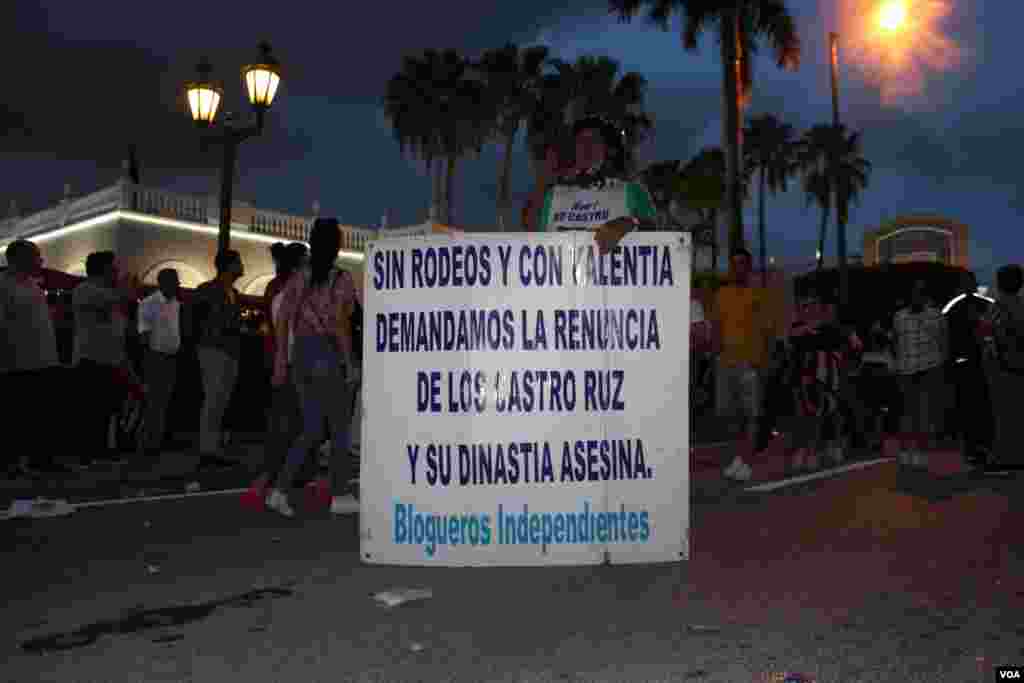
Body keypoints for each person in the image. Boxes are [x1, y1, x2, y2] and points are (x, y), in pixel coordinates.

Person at [266, 218, 360, 517]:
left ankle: (279, 490)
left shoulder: (299, 277)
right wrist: (350, 363)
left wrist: (282, 359)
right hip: (327, 354)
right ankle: (341, 494)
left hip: (302, 356)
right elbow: (340, 325)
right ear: (337, 244)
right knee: (340, 427)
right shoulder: (340, 279)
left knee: (310, 428)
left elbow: (282, 320)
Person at [243, 242, 309, 509]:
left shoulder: (279, 288)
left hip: (287, 363)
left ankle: (272, 481)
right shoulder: (289, 292)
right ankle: (270, 482)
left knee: (289, 424)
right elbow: (285, 332)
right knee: (290, 425)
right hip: (291, 364)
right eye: (307, 261)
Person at [709, 248, 783, 481]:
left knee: (752, 415)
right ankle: (738, 459)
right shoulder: (721, 294)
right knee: (730, 416)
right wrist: (715, 357)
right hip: (726, 363)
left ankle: (747, 463)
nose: (738, 268)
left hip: (751, 364)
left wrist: (766, 363)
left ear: (748, 267)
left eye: (742, 264)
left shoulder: (758, 295)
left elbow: (770, 332)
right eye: (734, 264)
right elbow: (716, 329)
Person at [0, 240, 73, 475]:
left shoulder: (33, 285)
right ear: (19, 259)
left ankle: (42, 459)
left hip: (44, 359)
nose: (41, 261)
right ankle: (11, 463)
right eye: (36, 257)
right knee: (16, 415)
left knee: (43, 413)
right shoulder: (3, 285)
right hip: (16, 362)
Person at [534, 115, 657, 253]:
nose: (587, 147)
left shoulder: (632, 190)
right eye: (581, 142)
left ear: (607, 149)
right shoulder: (553, 195)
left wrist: (629, 223)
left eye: (594, 141)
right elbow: (536, 242)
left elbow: (659, 235)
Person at [72, 251, 140, 468]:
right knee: (91, 409)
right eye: (114, 268)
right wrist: (126, 287)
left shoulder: (109, 294)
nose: (117, 272)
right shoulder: (85, 290)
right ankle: (86, 453)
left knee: (110, 409)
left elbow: (120, 327)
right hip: (90, 359)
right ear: (103, 270)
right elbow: (121, 298)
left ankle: (103, 450)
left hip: (112, 359)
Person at [190, 249, 246, 471]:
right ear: (229, 266)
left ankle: (212, 448)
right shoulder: (207, 290)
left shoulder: (234, 292)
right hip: (212, 349)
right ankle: (207, 450)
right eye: (238, 262)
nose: (242, 266)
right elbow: (195, 317)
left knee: (220, 401)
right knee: (213, 399)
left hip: (229, 351)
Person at [891, 280, 948, 471]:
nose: (917, 296)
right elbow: (897, 343)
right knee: (908, 412)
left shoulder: (936, 315)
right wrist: (897, 366)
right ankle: (908, 449)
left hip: (929, 369)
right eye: (914, 293)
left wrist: (940, 366)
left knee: (925, 412)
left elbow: (944, 342)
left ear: (925, 295)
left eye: (920, 293)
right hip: (906, 369)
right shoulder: (898, 317)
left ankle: (921, 451)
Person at [942, 271, 994, 466]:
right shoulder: (958, 305)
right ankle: (975, 446)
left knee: (976, 405)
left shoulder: (981, 304)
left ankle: (979, 446)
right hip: (967, 362)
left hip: (975, 362)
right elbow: (945, 333)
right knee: (972, 405)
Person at [980, 264, 1024, 469]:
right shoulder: (1019, 304)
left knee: (1003, 413)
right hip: (1015, 364)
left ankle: (1005, 457)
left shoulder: (999, 306)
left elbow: (991, 335)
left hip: (1003, 365)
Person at [136, 268, 182, 460]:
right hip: (156, 357)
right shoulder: (149, 304)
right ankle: (146, 444)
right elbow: (144, 334)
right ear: (163, 282)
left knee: (163, 403)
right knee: (153, 403)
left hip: (171, 357)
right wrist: (148, 361)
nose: (178, 285)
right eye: (175, 281)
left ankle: (155, 443)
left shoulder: (176, 304)